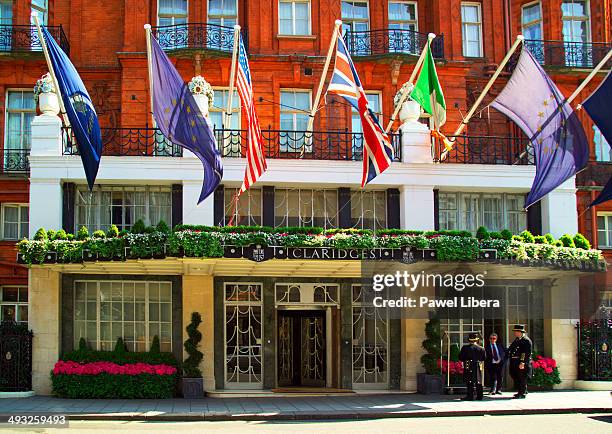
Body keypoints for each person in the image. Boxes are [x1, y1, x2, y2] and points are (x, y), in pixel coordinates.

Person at [458, 332, 486, 401]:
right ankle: (480, 396)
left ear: (469, 340)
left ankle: (470, 396)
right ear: (476, 340)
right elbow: (484, 358)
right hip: (477, 365)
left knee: (469, 381)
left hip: (469, 365)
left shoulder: (465, 348)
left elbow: (461, 357)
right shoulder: (481, 348)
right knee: (478, 381)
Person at [507, 324, 532, 399]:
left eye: (516, 331)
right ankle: (520, 391)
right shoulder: (517, 339)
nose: (515, 333)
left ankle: (522, 393)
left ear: (520, 332)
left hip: (520, 361)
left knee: (522, 377)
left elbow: (525, 353)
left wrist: (522, 362)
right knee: (515, 376)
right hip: (514, 361)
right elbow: (511, 349)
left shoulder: (526, 340)